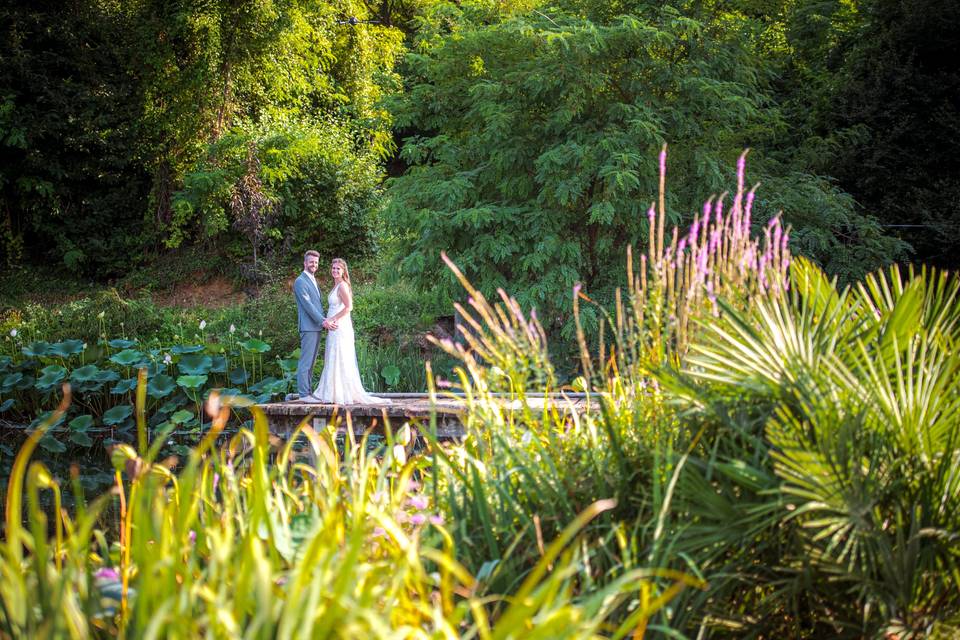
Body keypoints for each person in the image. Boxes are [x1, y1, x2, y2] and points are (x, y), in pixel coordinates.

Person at [306, 258, 389, 405]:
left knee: (340, 355)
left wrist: (333, 319)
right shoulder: (335, 286)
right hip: (335, 326)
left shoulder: (343, 286)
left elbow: (348, 307)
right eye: (333, 268)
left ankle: (341, 393)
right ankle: (332, 391)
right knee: (333, 355)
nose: (335, 271)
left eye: (338, 269)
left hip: (340, 326)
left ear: (343, 271)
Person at [292, 250, 336, 400]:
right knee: (306, 362)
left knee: (311, 362)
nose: (314, 264)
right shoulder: (300, 281)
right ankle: (304, 394)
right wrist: (323, 321)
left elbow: (316, 304)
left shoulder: (313, 279)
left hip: (315, 327)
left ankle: (308, 392)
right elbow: (308, 305)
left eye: (316, 262)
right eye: (311, 261)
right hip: (308, 326)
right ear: (305, 263)